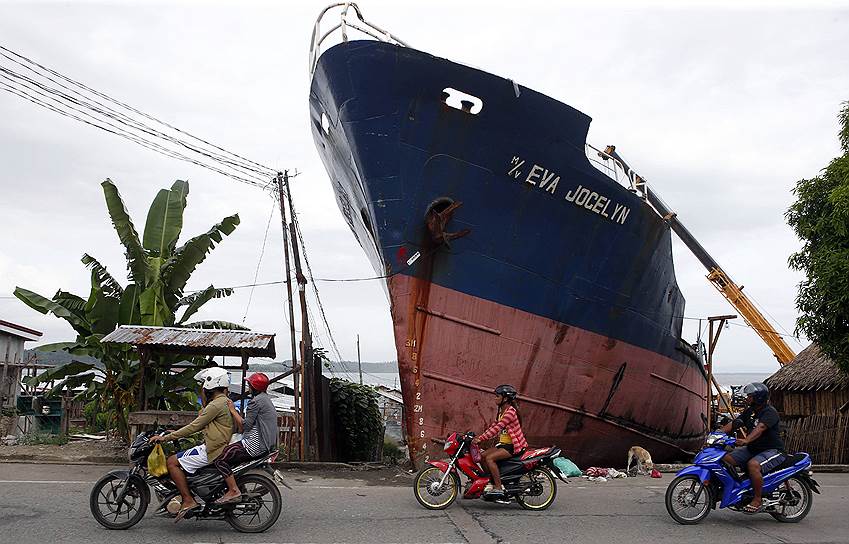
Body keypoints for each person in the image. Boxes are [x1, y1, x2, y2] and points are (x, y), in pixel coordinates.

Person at [150, 367, 233, 521]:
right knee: (184, 454)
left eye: (203, 385)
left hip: (212, 449)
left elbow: (195, 426)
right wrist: (172, 433)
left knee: (172, 462)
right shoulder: (222, 402)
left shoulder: (215, 405)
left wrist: (166, 438)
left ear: (211, 384)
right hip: (217, 444)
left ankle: (188, 500)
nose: (201, 388)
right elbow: (202, 423)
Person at [213, 372, 279, 505]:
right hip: (265, 444)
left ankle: (233, 490)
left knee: (219, 458)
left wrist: (232, 410)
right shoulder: (265, 399)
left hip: (253, 445)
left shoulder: (255, 402)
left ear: (253, 387)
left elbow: (245, 426)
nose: (248, 387)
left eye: (249, 384)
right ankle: (236, 485)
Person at [720, 382, 785, 514]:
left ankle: (757, 499)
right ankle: (737, 486)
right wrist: (717, 434)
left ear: (759, 397)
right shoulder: (750, 411)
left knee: (753, 465)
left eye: (750, 396)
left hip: (772, 451)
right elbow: (735, 423)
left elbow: (760, 428)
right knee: (725, 458)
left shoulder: (769, 412)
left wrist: (746, 440)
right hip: (753, 449)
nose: (747, 398)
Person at [472, 384, 528, 502]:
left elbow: (498, 428)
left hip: (513, 446)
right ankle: (491, 481)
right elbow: (494, 425)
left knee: (490, 459)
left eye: (497, 396)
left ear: (505, 398)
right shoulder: (502, 411)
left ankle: (498, 487)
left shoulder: (510, 412)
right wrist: (478, 436)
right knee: (482, 456)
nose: (495, 398)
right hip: (504, 445)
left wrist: (481, 439)